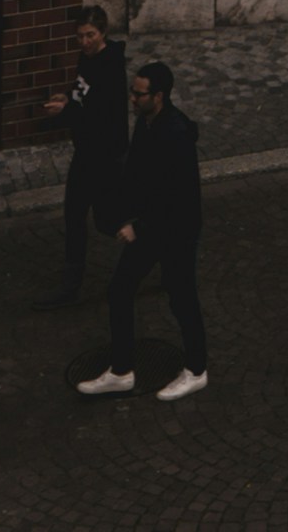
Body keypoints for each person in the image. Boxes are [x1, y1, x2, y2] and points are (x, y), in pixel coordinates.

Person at [76, 59, 207, 402]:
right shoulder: (146, 124)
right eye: (132, 93)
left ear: (159, 96)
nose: (132, 99)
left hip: (176, 232)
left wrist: (138, 227)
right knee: (120, 290)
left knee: (182, 299)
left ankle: (196, 371)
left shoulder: (174, 136)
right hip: (154, 228)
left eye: (139, 94)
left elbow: (178, 198)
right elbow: (137, 178)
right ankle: (121, 371)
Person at [40, 3, 127, 308]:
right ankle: (70, 285)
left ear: (103, 33)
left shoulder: (110, 67)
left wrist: (65, 111)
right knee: (76, 215)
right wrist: (67, 95)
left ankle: (156, 248)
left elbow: (96, 112)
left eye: (90, 35)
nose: (84, 42)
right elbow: (81, 90)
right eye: (80, 36)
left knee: (107, 220)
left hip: (104, 157)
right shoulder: (88, 58)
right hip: (88, 153)